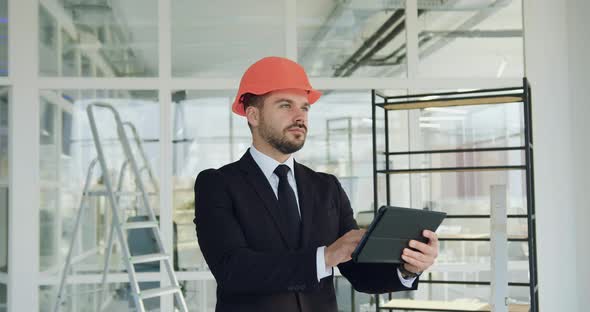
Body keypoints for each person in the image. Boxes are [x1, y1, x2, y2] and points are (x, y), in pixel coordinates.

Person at [193, 56, 439, 312]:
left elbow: (358, 271)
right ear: (253, 115)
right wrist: (325, 256)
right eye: (285, 105)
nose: (300, 116)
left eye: (305, 107)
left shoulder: (326, 187)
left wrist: (407, 268)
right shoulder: (217, 184)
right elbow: (234, 270)